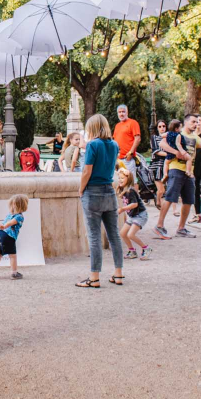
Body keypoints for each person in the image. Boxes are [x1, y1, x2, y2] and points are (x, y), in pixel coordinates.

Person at [76, 113, 124, 288]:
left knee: (94, 236)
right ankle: (118, 273)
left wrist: (81, 189)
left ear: (92, 128)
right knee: (114, 235)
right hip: (109, 192)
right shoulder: (114, 145)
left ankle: (94, 277)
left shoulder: (92, 145)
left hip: (93, 193)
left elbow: (87, 171)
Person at [154, 114, 201, 239]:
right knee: (170, 197)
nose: (196, 124)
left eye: (197, 122)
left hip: (189, 172)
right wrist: (176, 152)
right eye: (193, 122)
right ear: (185, 122)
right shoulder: (177, 133)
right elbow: (163, 144)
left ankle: (181, 228)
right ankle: (159, 226)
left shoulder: (195, 137)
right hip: (176, 169)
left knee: (189, 200)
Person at [116, 168, 151, 260]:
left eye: (122, 178)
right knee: (123, 233)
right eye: (119, 178)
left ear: (129, 179)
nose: (120, 180)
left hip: (140, 215)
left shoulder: (130, 191)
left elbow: (135, 204)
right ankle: (132, 251)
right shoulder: (123, 190)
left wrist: (123, 209)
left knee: (130, 235)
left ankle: (146, 248)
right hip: (132, 216)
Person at [0, 194, 28, 278]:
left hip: (0, 234)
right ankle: (14, 273)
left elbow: (7, 221)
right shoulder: (19, 216)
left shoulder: (9, 215)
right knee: (12, 255)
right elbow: (11, 222)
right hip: (9, 236)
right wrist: (5, 226)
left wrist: (3, 226)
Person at [113, 104, 142, 172]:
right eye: (119, 112)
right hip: (118, 159)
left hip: (128, 159)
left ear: (127, 112)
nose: (121, 114)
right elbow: (114, 141)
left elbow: (137, 139)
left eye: (123, 112)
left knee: (131, 181)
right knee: (120, 181)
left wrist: (131, 153)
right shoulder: (117, 126)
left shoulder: (133, 123)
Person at [148, 120, 168, 208]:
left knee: (163, 190)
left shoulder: (169, 138)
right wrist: (170, 154)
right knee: (161, 189)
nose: (162, 128)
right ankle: (158, 200)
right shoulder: (154, 138)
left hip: (166, 165)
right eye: (160, 126)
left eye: (163, 126)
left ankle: (158, 200)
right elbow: (156, 151)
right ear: (157, 128)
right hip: (157, 166)